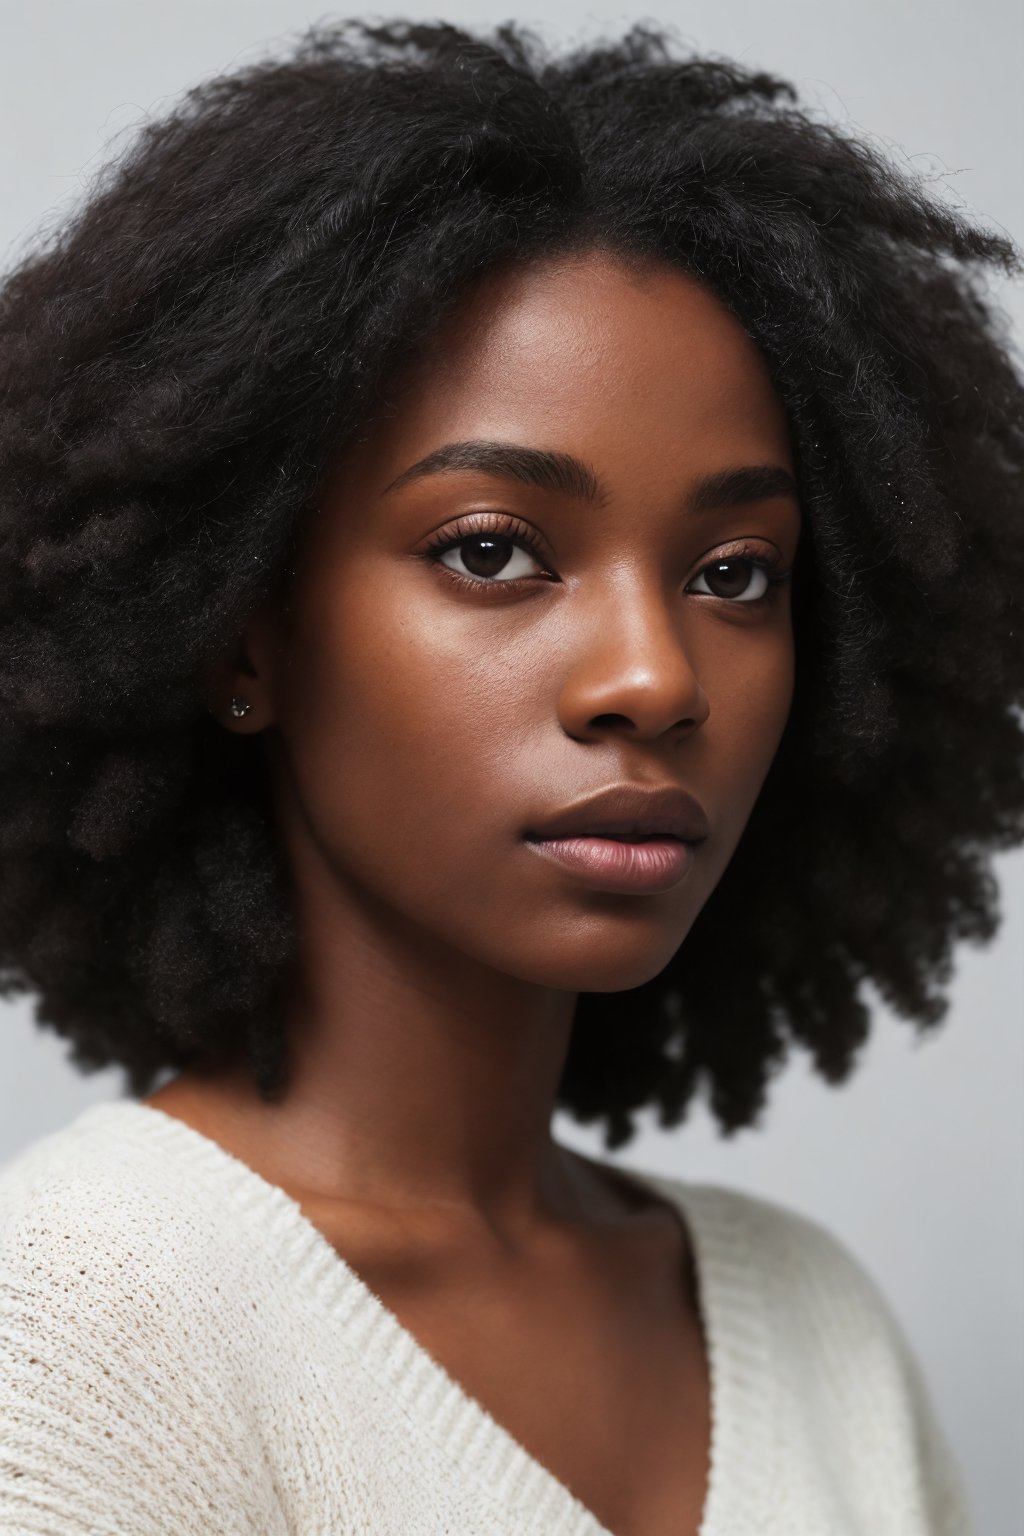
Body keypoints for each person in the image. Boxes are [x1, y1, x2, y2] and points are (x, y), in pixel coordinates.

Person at [0, 17, 1018, 1535]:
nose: (655, 677)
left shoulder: (818, 1333)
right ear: (239, 634)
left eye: (737, 573)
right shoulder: (80, 1329)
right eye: (494, 552)